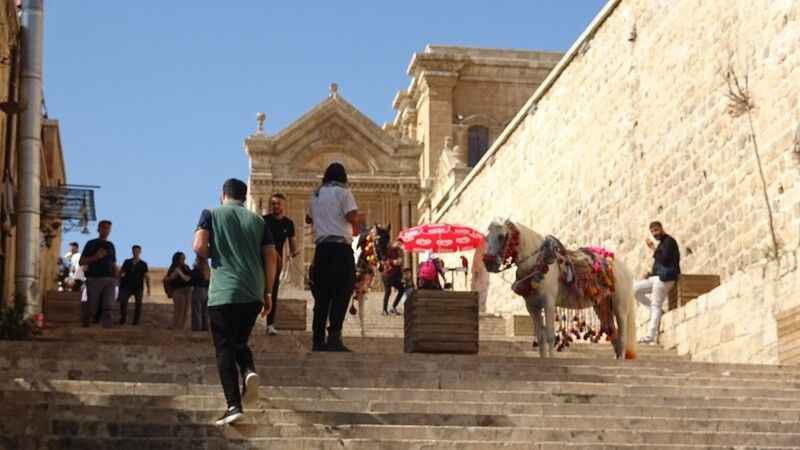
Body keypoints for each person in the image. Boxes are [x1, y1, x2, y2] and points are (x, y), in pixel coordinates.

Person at [193, 178, 277, 426]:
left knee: (224, 348)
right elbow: (271, 256)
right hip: (253, 292)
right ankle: (249, 370)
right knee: (239, 340)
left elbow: (198, 246)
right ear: (245, 196)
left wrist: (215, 252)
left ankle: (233, 406)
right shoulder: (259, 221)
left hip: (224, 291)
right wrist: (268, 293)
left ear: (223, 195)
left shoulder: (210, 214)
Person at [307, 162, 358, 352]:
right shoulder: (344, 192)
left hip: (321, 250)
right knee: (342, 292)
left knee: (322, 296)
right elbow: (351, 216)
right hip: (340, 249)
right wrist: (358, 220)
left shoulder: (316, 194)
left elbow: (308, 218)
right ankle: (334, 337)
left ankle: (317, 340)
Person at [634, 221, 681, 344]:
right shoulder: (661, 244)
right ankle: (656, 312)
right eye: (652, 232)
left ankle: (650, 335)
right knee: (634, 289)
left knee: (656, 305)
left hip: (666, 278)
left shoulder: (669, 241)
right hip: (658, 277)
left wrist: (653, 248)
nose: (655, 234)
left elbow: (665, 260)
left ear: (661, 228)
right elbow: (658, 266)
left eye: (656, 230)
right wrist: (649, 274)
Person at [262, 192, 298, 336]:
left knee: (272, 292)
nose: (275, 206)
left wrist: (294, 252)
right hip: (262, 259)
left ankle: (270, 324)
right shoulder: (264, 220)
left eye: (278, 203)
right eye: (273, 203)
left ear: (283, 205)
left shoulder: (288, 224)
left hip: (276, 264)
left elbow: (292, 244)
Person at [79, 220, 118, 328]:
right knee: (92, 306)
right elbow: (81, 262)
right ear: (98, 229)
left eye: (108, 228)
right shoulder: (91, 243)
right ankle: (87, 324)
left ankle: (107, 328)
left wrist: (117, 279)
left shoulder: (110, 245)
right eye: (104, 228)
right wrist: (96, 257)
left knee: (108, 305)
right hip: (94, 279)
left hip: (109, 280)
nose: (106, 230)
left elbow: (113, 263)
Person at [118, 245, 150, 326]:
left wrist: (148, 288)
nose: (135, 252)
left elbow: (146, 276)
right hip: (126, 286)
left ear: (140, 252)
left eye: (137, 251)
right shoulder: (127, 262)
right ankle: (123, 319)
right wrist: (118, 282)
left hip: (138, 287)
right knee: (123, 302)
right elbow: (121, 272)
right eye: (134, 250)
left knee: (138, 304)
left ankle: (136, 322)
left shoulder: (143, 264)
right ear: (132, 252)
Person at [165, 252, 193, 330]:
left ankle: (183, 326)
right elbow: (168, 279)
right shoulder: (173, 268)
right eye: (182, 258)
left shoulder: (186, 267)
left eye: (184, 258)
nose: (183, 260)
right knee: (179, 309)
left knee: (186, 310)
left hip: (187, 290)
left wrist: (180, 273)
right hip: (178, 291)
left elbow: (189, 278)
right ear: (177, 259)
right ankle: (175, 325)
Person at [381, 239, 405, 316]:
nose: (399, 245)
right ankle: (384, 310)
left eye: (400, 244)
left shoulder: (398, 251)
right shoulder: (388, 250)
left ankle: (393, 307)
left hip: (395, 276)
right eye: (398, 243)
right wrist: (393, 262)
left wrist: (399, 262)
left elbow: (399, 264)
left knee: (401, 289)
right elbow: (383, 260)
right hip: (387, 275)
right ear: (395, 242)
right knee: (388, 291)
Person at [190, 256, 210, 332]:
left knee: (197, 311)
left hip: (198, 290)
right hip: (207, 291)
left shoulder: (197, 270)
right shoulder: (208, 271)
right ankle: (205, 328)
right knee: (205, 311)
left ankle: (197, 328)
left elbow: (192, 281)